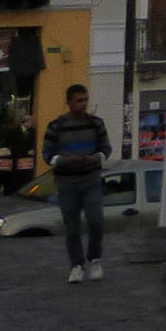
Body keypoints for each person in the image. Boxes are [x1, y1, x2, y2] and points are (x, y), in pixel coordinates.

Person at [40, 83, 113, 284]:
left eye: (85, 100)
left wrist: (95, 158)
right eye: (79, 100)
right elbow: (47, 154)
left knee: (96, 221)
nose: (83, 104)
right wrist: (65, 160)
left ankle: (95, 259)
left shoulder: (96, 123)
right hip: (67, 182)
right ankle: (77, 265)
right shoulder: (56, 126)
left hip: (91, 179)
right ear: (69, 102)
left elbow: (106, 149)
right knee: (72, 227)